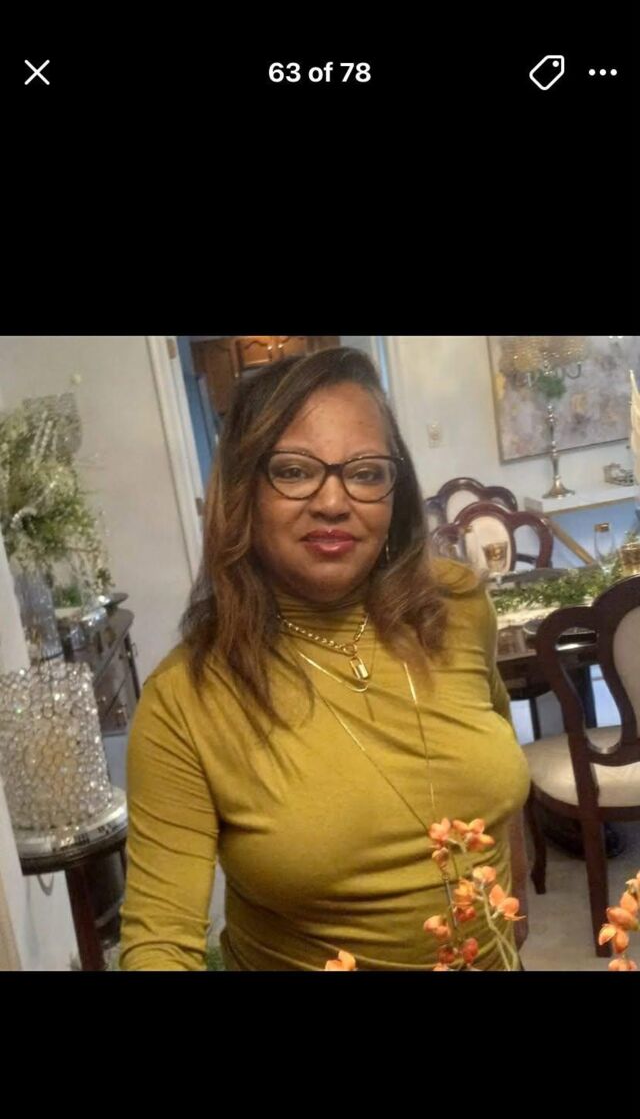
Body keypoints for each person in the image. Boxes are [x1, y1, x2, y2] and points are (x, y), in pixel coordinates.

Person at [119, 346, 530, 971]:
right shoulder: (185, 698)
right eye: (293, 471)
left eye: (365, 473)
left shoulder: (455, 604)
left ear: (394, 493)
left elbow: (499, 771)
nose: (334, 502)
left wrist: (512, 917)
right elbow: (159, 943)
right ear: (243, 492)